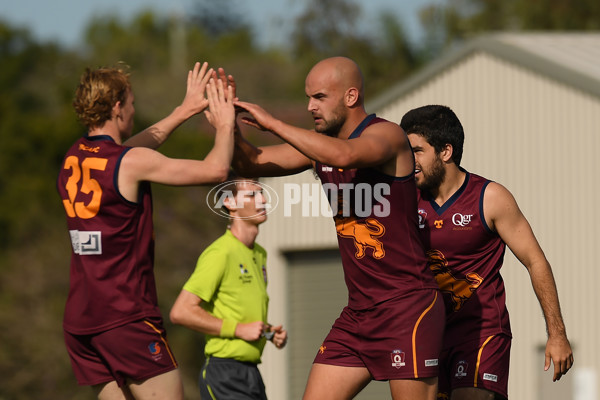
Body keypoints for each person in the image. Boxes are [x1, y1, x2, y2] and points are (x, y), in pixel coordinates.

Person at [231, 56, 445, 400]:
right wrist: (227, 123)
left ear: (350, 96)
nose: (309, 106)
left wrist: (273, 123)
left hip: (407, 308)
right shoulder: (320, 147)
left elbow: (344, 155)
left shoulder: (387, 135)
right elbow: (248, 162)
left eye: (319, 97)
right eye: (307, 98)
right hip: (358, 314)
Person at [56, 61, 236, 400]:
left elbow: (126, 154)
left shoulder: (74, 157)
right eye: (132, 102)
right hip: (124, 317)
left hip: (81, 322)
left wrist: (183, 111)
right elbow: (216, 169)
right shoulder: (131, 162)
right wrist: (225, 125)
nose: (134, 110)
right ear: (117, 106)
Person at [400, 105, 574, 400]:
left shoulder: (490, 198)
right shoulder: (404, 198)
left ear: (446, 151)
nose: (409, 160)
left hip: (480, 335)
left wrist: (557, 334)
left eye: (416, 150)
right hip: (425, 335)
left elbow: (536, 262)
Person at [170, 176, 288, 400]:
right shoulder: (220, 253)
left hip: (251, 373)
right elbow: (181, 311)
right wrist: (238, 329)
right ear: (230, 203)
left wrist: (268, 332)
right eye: (252, 194)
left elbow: (236, 310)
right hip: (224, 374)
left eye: (261, 193)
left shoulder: (259, 254)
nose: (263, 199)